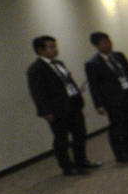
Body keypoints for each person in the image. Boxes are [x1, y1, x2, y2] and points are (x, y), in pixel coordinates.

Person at [26, 35, 100, 176]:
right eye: (51, 46)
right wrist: (46, 111)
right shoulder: (36, 69)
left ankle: (81, 161)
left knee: (80, 134)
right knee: (61, 139)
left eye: (55, 46)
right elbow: (37, 92)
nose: (55, 49)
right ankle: (67, 167)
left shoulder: (59, 64)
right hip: (56, 110)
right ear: (40, 50)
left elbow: (66, 82)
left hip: (72, 104)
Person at [85, 32, 128, 162]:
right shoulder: (92, 64)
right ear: (96, 45)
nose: (109, 45)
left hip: (127, 93)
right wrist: (98, 104)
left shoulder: (119, 56)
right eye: (104, 43)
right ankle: (119, 153)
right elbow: (94, 86)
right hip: (112, 99)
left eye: (109, 41)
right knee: (117, 125)